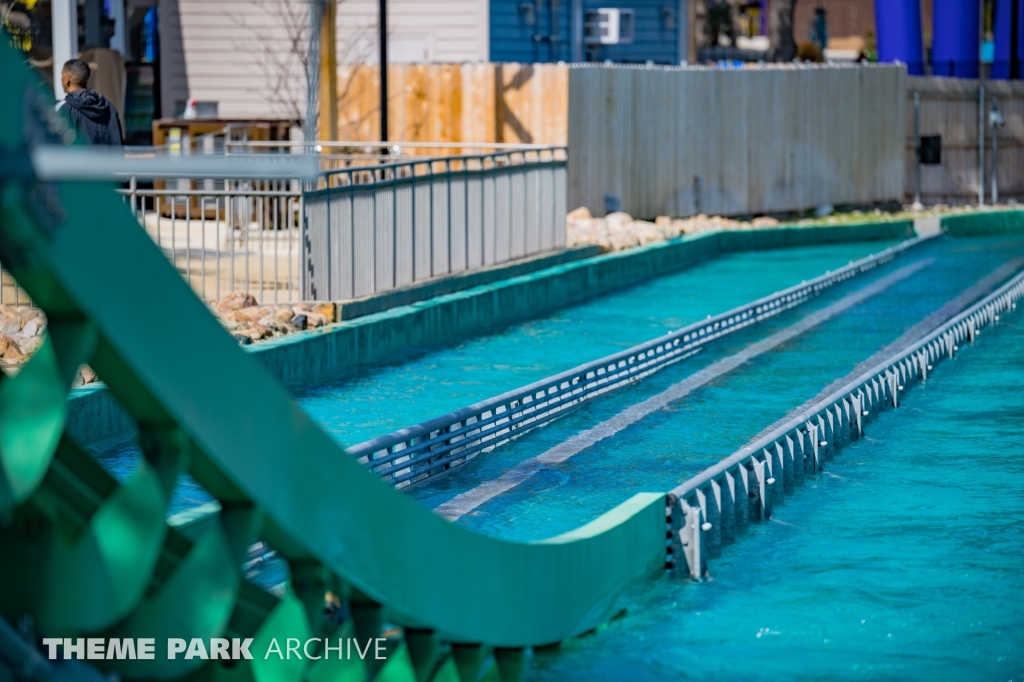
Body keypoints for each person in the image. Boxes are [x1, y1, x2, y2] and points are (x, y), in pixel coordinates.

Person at [57, 59, 123, 146]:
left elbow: (56, 147)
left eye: (62, 75)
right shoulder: (109, 108)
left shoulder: (64, 109)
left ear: (67, 79)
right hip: (108, 160)